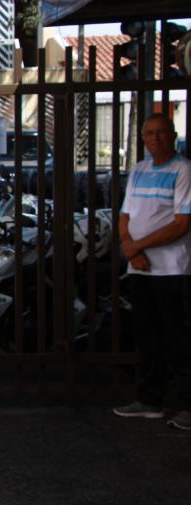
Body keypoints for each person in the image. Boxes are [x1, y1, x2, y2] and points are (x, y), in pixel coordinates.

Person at [113, 113, 191, 431]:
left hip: (173, 269)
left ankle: (186, 405)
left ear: (172, 136)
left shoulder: (183, 170)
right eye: (149, 133)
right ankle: (149, 400)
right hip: (141, 269)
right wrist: (132, 248)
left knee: (180, 338)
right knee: (147, 336)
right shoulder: (140, 170)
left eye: (160, 132)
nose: (154, 138)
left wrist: (136, 246)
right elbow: (125, 215)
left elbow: (182, 222)